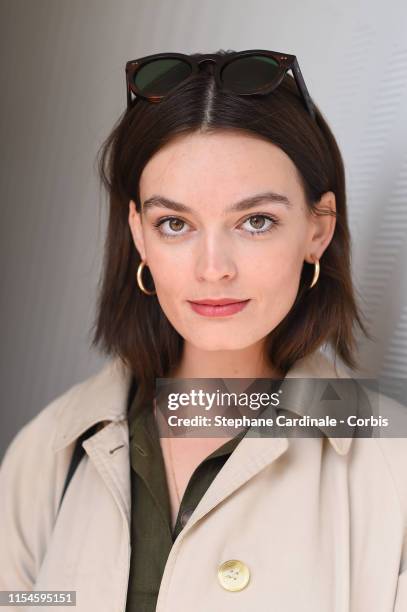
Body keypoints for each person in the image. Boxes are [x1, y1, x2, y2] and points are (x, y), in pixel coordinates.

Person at [0, 48, 406, 612]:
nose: (213, 268)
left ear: (318, 229)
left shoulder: (392, 465)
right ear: (139, 235)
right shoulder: (48, 452)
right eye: (175, 224)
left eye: (255, 221)